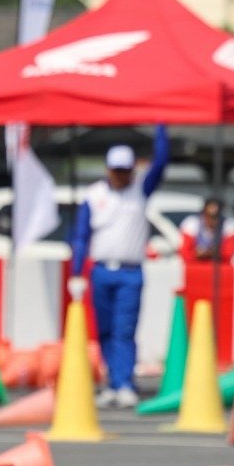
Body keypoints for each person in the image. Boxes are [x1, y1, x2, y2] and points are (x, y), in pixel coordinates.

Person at [68, 126, 170, 409]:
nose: (121, 175)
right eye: (117, 169)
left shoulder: (140, 190)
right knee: (104, 331)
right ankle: (112, 382)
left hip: (130, 273)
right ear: (108, 169)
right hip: (100, 271)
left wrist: (162, 126)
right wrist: (76, 272)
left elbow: (161, 160)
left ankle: (125, 383)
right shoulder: (94, 195)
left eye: (126, 170)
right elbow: (81, 235)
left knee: (124, 330)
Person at [178, 198, 234, 263]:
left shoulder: (228, 226)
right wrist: (197, 254)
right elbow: (185, 253)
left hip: (219, 269)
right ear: (203, 213)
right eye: (208, 215)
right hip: (196, 267)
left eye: (215, 217)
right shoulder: (192, 224)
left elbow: (228, 254)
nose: (211, 220)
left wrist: (209, 253)